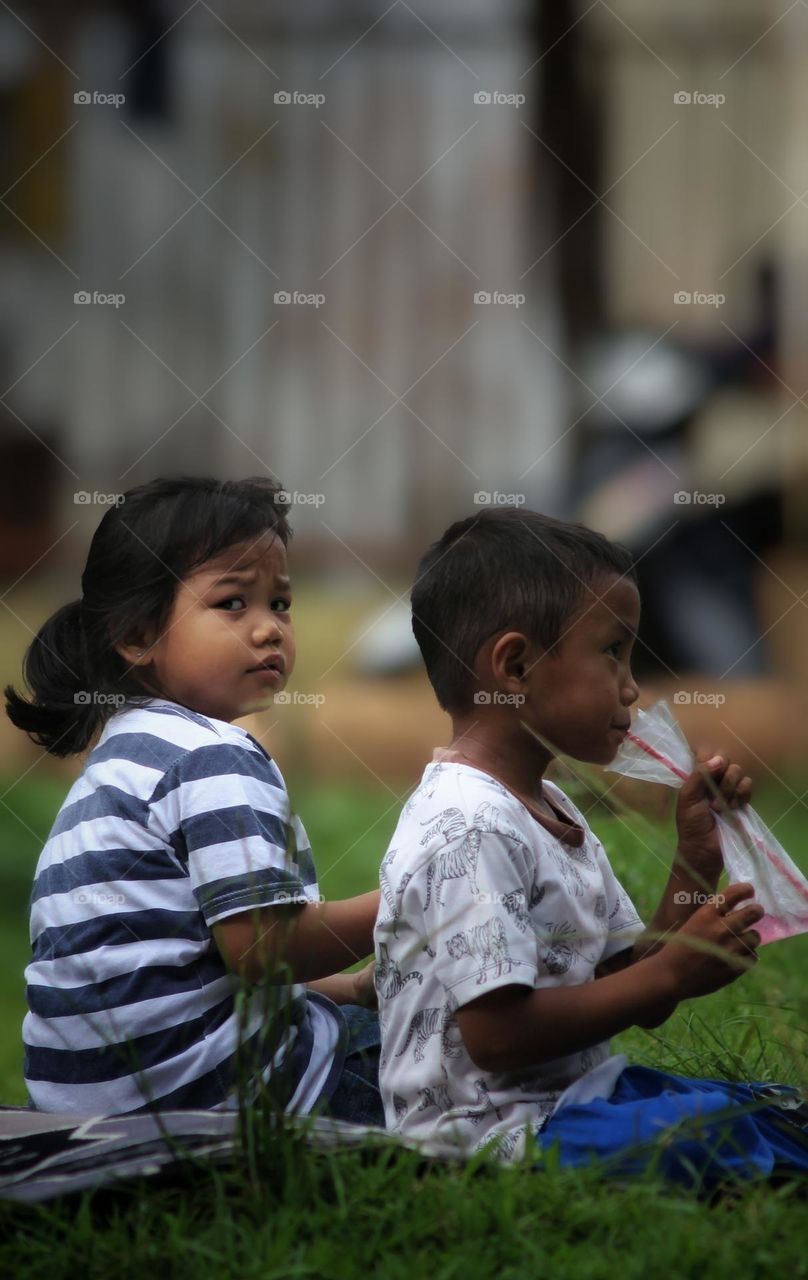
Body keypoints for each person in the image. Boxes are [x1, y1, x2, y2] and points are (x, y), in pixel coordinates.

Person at [374, 507, 808, 1187]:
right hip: (490, 1137)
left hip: (577, 1099)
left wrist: (694, 857)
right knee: (714, 1136)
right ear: (515, 666)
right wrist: (667, 974)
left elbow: (621, 985)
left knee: (769, 1115)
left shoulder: (552, 808)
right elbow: (497, 1038)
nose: (633, 689)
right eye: (613, 651)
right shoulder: (466, 824)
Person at [6, 476, 382, 1123]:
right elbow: (264, 949)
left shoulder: (124, 755)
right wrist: (410, 898)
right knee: (436, 1047)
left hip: (90, 1101)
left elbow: (182, 964)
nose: (269, 630)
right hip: (219, 1098)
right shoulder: (210, 756)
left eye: (281, 603)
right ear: (138, 636)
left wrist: (347, 987)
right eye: (233, 603)